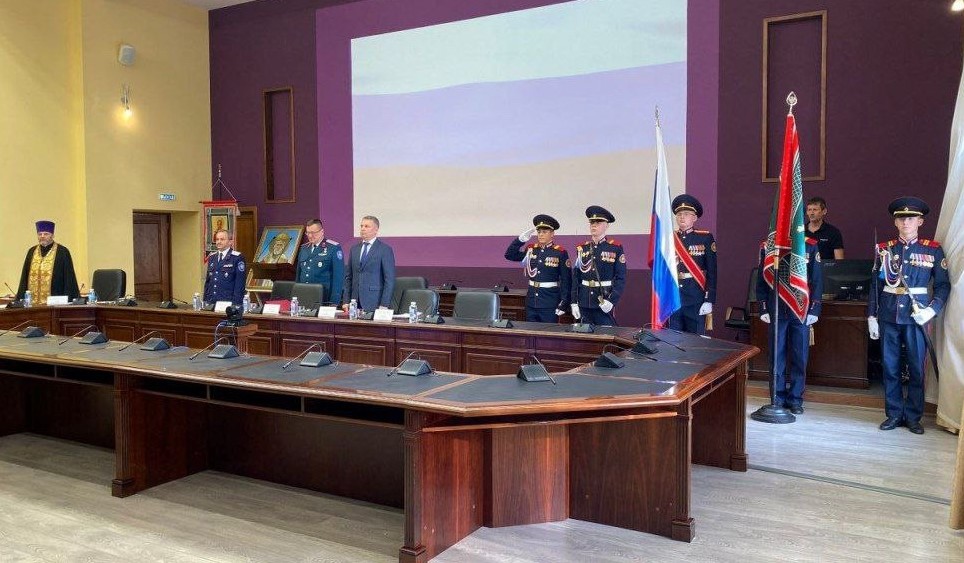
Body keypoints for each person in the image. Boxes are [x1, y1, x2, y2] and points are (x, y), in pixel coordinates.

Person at [868, 197, 950, 435]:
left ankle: (914, 416)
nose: (906, 222)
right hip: (889, 314)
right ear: (895, 222)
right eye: (901, 218)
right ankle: (894, 414)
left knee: (916, 368)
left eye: (911, 218)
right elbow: (875, 285)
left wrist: (931, 310)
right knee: (890, 367)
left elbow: (943, 285)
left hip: (917, 316)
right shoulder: (884, 249)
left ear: (920, 221)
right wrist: (872, 316)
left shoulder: (932, 249)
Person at [756, 235, 823, 415]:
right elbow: (762, 279)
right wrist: (762, 307)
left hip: (801, 308)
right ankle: (776, 397)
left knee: (799, 356)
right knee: (776, 356)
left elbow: (816, 279)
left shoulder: (810, 245)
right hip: (777, 307)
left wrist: (815, 309)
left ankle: (795, 399)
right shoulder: (768, 245)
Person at [505, 214, 571, 322]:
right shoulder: (531, 250)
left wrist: (564, 301)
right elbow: (509, 255)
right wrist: (520, 240)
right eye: (539, 232)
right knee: (530, 331)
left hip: (549, 302)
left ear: (552, 234)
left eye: (544, 232)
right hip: (531, 301)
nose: (541, 234)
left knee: (548, 331)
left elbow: (566, 280)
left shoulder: (560, 252)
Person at [668, 195, 716, 334]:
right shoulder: (669, 238)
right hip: (674, 296)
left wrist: (709, 299)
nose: (682, 217)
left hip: (695, 296)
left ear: (694, 218)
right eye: (679, 214)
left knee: (695, 341)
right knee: (672, 339)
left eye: (686, 214)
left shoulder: (705, 238)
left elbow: (712, 271)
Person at [571, 206, 626, 326]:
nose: (594, 226)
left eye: (598, 223)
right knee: (584, 335)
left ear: (606, 225)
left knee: (605, 334)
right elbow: (576, 277)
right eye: (592, 223)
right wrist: (574, 302)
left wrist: (611, 301)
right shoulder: (582, 249)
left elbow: (621, 278)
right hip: (584, 301)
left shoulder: (615, 248)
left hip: (604, 301)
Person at [16, 220, 80, 302]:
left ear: (52, 235)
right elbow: (24, 277)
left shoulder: (62, 252)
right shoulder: (32, 252)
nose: (42, 236)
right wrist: (20, 300)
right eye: (40, 234)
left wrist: (69, 300)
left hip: (56, 303)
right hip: (33, 304)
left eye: (46, 234)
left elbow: (69, 279)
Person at [343, 216, 395, 312]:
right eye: (361, 226)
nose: (363, 229)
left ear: (376, 230)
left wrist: (384, 304)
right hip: (354, 302)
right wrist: (346, 301)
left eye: (367, 226)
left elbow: (389, 280)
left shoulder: (384, 249)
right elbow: (348, 277)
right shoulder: (354, 249)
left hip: (375, 301)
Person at [296, 219, 344, 306]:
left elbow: (338, 278)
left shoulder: (333, 248)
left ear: (322, 232)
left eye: (313, 233)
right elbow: (298, 275)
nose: (310, 236)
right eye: (308, 233)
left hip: (323, 299)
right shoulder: (304, 248)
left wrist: (334, 302)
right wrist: (296, 297)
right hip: (303, 297)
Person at [203, 229, 246, 306]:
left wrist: (236, 304)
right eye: (217, 239)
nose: (219, 242)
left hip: (228, 302)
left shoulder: (237, 257)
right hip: (211, 301)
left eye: (222, 239)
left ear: (230, 242)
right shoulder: (212, 257)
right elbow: (208, 281)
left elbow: (240, 283)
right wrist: (205, 300)